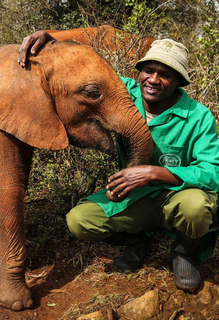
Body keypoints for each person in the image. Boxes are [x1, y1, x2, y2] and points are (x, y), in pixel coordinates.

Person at [18, 31, 219, 291]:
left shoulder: (198, 116)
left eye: (165, 74)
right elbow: (82, 68)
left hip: (178, 196)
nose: (153, 80)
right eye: (148, 70)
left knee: (196, 207)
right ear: (140, 72)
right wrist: (52, 39)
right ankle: (137, 239)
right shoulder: (123, 92)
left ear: (179, 81)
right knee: (79, 220)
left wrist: (155, 173)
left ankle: (184, 252)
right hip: (135, 197)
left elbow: (213, 172)